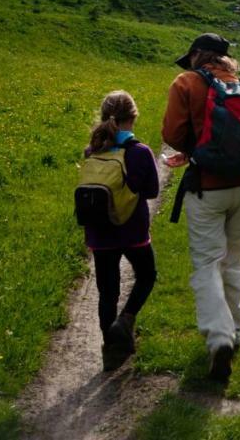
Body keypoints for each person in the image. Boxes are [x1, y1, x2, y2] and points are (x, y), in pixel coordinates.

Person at [161, 33, 240, 382]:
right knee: (233, 261)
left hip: (207, 187)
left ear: (198, 56)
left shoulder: (186, 82)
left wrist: (193, 149)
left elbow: (172, 133)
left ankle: (220, 339)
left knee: (207, 263)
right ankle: (236, 330)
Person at [83, 91, 159, 372]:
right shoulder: (140, 152)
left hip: (100, 232)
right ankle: (126, 320)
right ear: (133, 117)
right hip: (133, 231)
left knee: (107, 291)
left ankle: (110, 347)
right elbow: (151, 191)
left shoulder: (92, 150)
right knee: (147, 275)